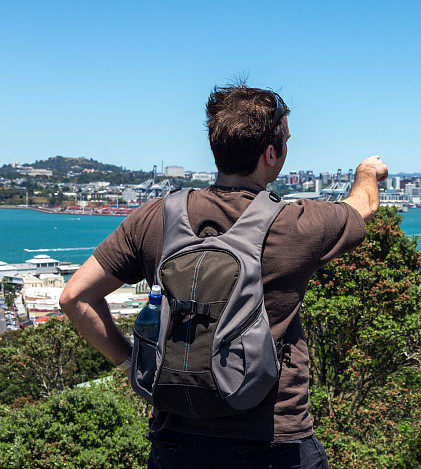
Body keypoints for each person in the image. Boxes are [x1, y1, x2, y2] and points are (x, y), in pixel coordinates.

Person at [60, 84, 388, 468]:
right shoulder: (296, 222)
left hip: (175, 439)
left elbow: (74, 298)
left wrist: (135, 365)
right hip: (271, 441)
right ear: (272, 153)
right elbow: (363, 204)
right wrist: (367, 171)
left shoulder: (155, 216)